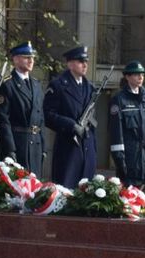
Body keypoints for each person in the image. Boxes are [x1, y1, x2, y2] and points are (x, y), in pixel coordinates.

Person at [43, 45, 97, 188]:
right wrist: (71, 125)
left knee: (87, 193)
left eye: (86, 61)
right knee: (66, 190)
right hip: (68, 147)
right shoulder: (58, 85)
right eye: (80, 61)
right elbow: (48, 115)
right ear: (70, 64)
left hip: (87, 147)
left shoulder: (90, 87)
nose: (85, 64)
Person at [0, 41, 45, 177]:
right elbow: (3, 120)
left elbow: (41, 119)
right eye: (26, 57)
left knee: (36, 190)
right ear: (16, 59)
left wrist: (43, 146)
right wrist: (10, 149)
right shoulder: (8, 84)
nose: (31, 61)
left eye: (32, 57)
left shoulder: (36, 84)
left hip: (35, 145)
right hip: (18, 143)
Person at [109, 61, 145, 187]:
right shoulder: (119, 100)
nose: (140, 77)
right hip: (130, 162)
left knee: (144, 204)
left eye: (142, 74)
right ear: (127, 76)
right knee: (128, 202)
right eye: (136, 74)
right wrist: (120, 162)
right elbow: (116, 134)